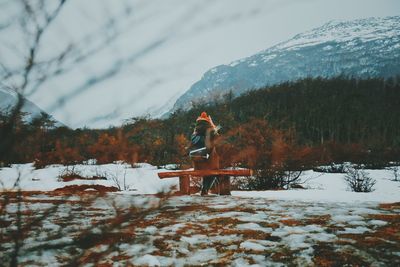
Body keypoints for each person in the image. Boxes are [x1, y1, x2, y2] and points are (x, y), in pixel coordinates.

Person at [189, 112, 220, 195]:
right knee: (213, 172)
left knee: (209, 170)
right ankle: (205, 189)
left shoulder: (195, 132)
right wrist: (212, 124)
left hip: (196, 164)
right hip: (206, 161)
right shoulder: (209, 129)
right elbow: (217, 137)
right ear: (208, 121)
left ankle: (204, 189)